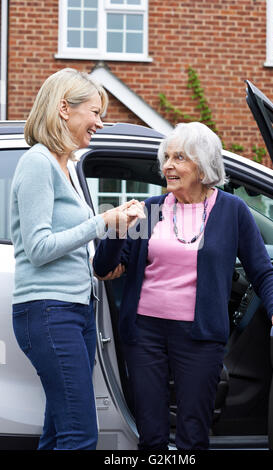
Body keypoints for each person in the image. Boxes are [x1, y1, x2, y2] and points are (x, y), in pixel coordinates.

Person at [93, 121, 273, 451]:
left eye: (179, 157)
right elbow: (105, 267)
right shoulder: (149, 211)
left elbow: (262, 270)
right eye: (166, 157)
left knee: (194, 432)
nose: (167, 165)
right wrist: (117, 228)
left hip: (200, 336)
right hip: (143, 333)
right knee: (151, 434)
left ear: (203, 164)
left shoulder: (232, 210)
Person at [10, 68, 145, 450]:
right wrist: (102, 221)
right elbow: (38, 248)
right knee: (79, 436)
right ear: (65, 109)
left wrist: (100, 263)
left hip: (75, 310)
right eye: (96, 112)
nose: (100, 123)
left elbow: (67, 243)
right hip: (51, 313)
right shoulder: (38, 162)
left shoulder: (64, 167)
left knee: (57, 433)